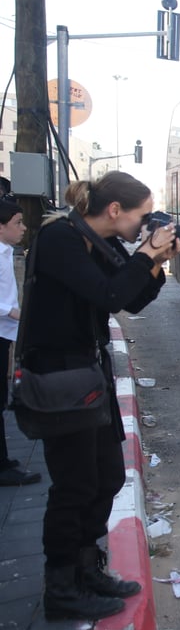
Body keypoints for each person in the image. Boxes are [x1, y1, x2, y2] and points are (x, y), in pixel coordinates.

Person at [23, 173, 178, 620]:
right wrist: (145, 254)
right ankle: (62, 585)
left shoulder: (97, 241)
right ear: (115, 210)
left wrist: (157, 262)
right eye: (142, 216)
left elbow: (132, 299)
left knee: (107, 477)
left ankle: (87, 568)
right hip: (60, 378)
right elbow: (108, 295)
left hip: (89, 374)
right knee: (73, 486)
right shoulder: (61, 239)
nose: (146, 225)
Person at [0, 198, 41, 486]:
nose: (23, 228)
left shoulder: (5, 252)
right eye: (17, 223)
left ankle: (3, 460)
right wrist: (22, 315)